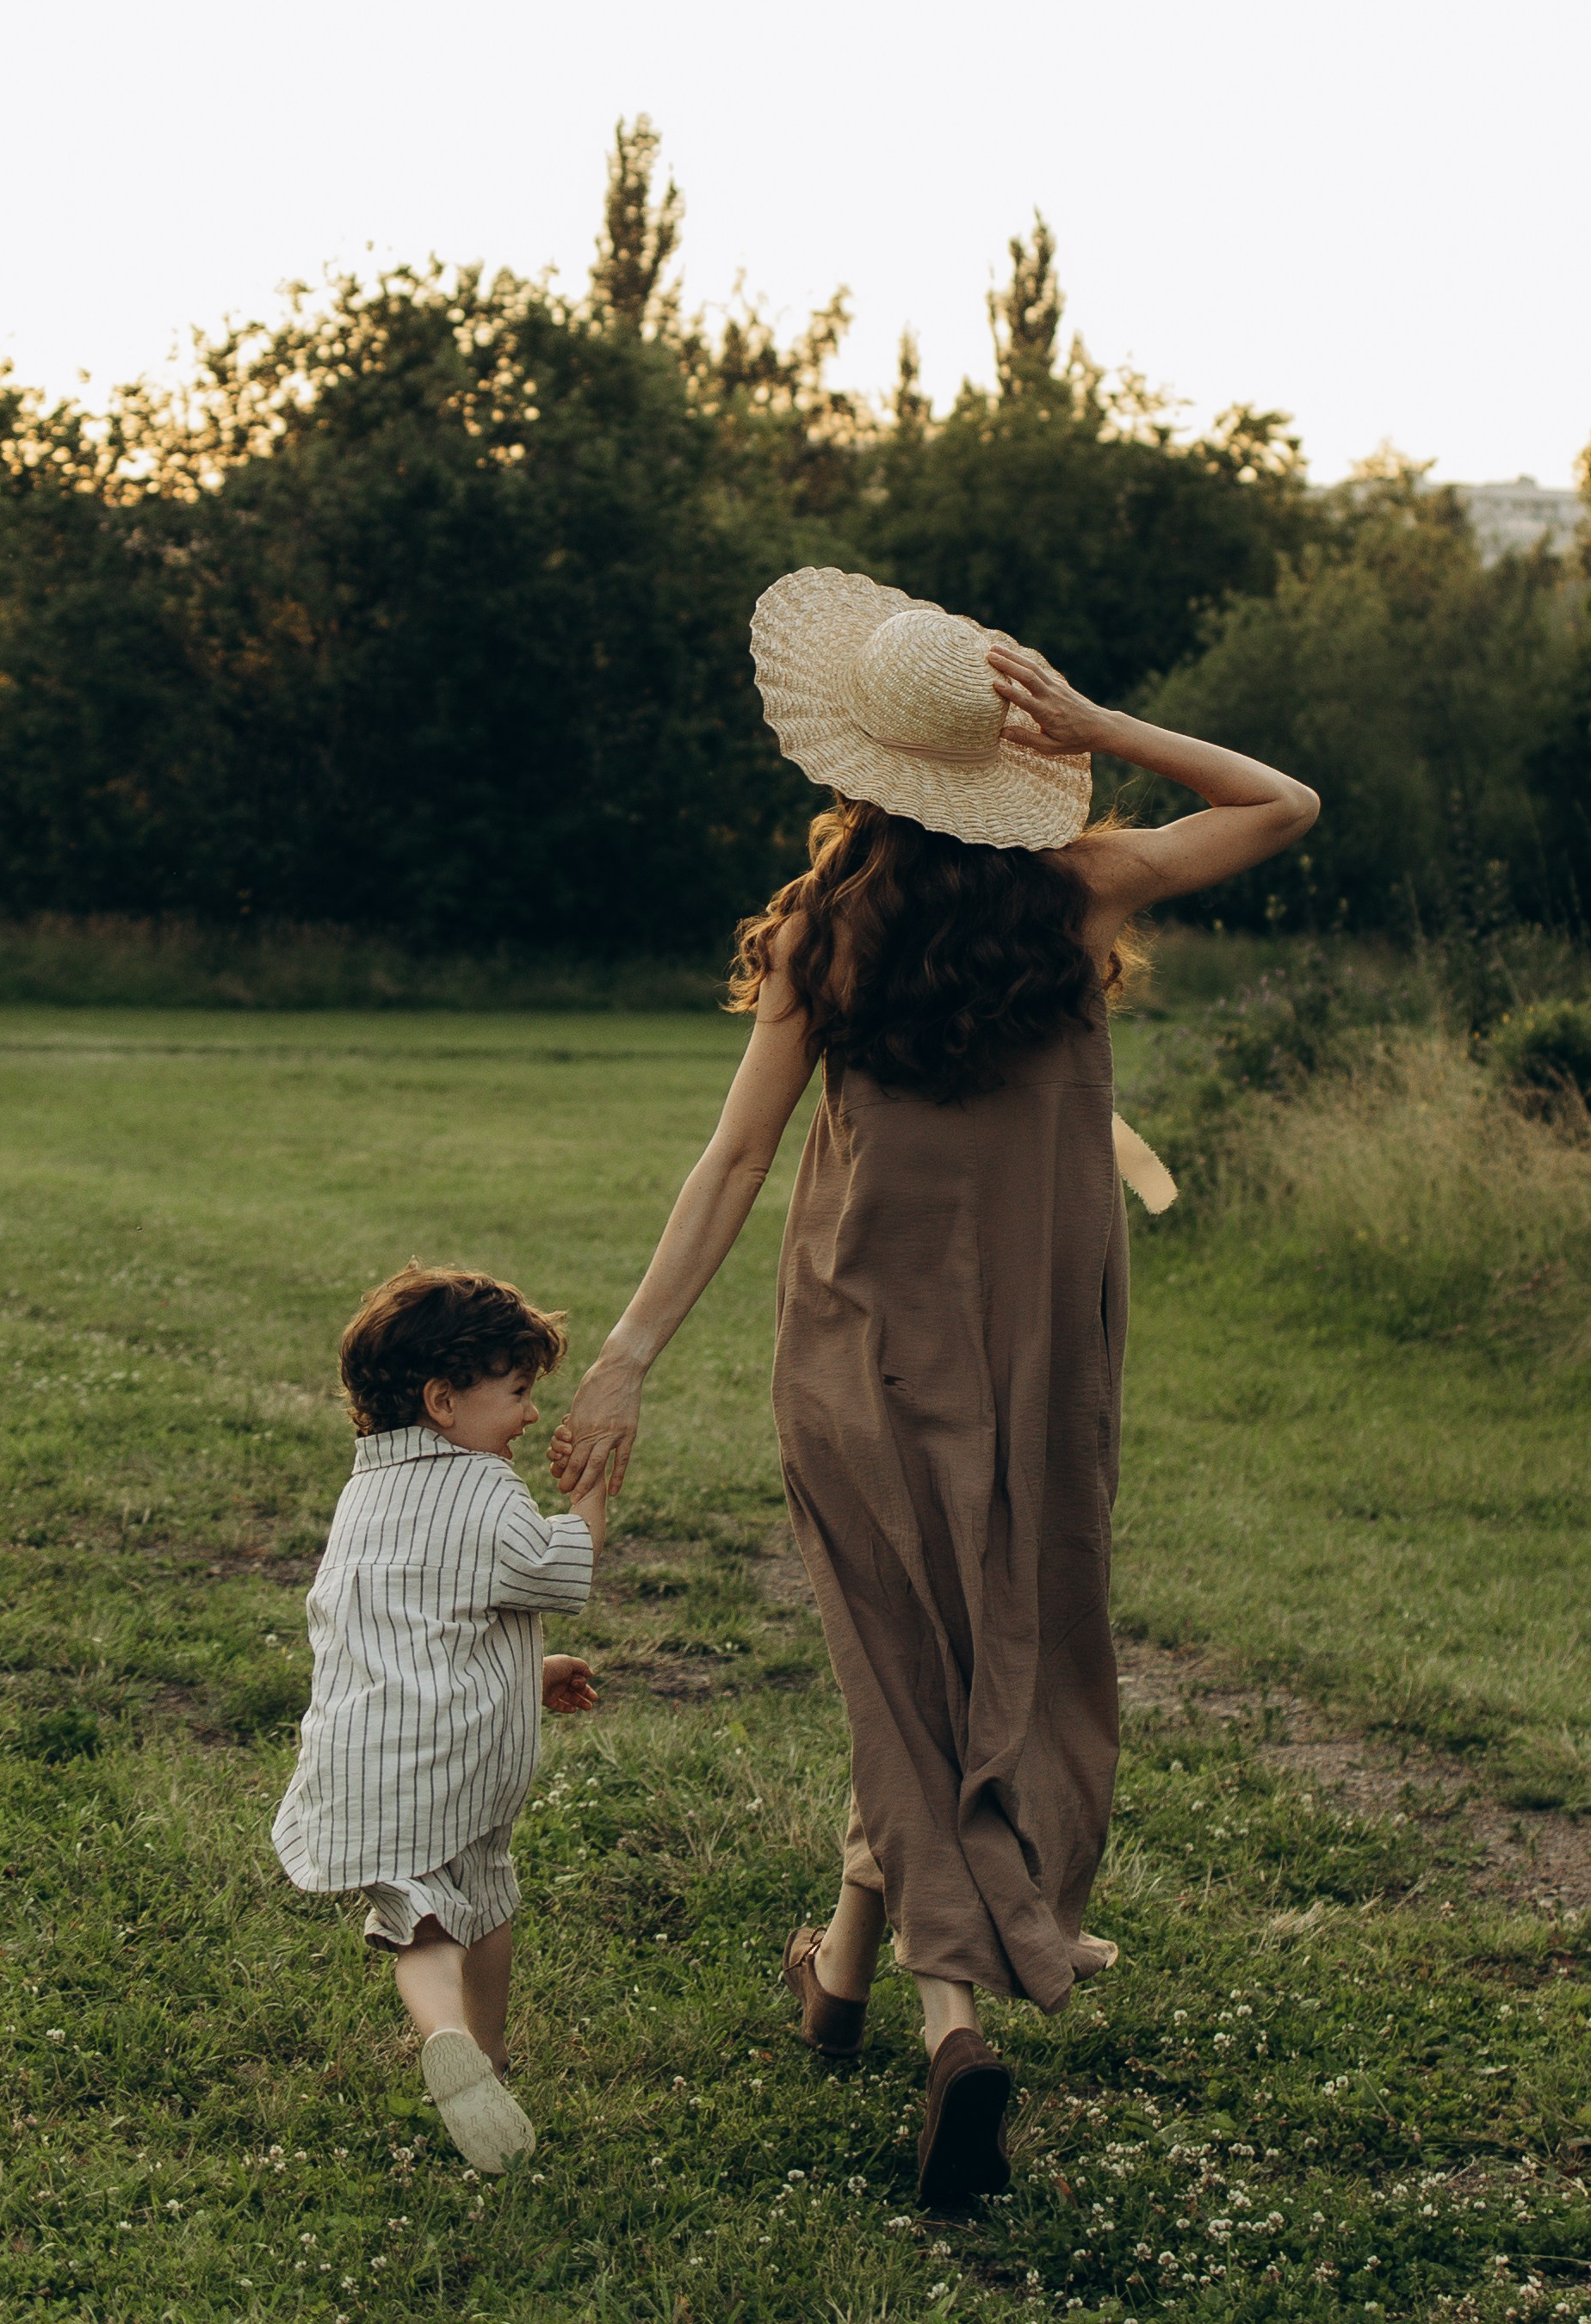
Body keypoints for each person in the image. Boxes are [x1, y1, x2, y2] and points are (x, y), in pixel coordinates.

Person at [551, 568, 1317, 2204]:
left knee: (900, 1663)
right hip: (1042, 1350)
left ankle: (933, 2008)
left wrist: (627, 1351)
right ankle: (881, 1981)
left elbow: (736, 1157)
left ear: (860, 767)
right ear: (1007, 759)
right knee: (1002, 1650)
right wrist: (1104, 724)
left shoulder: (827, 931)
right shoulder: (1081, 892)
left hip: (857, 1344)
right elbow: (1282, 800)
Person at [274, 1265, 609, 2174]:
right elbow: (558, 1575)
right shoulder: (488, 1492)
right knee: (484, 1898)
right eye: (517, 1393)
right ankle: (484, 2054)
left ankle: (450, 2042)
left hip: (370, 1750)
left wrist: (523, 1671)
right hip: (461, 1757)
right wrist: (591, 1493)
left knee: (417, 1921)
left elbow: (418, 1627)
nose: (531, 1416)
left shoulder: (364, 1497)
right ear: (444, 1400)